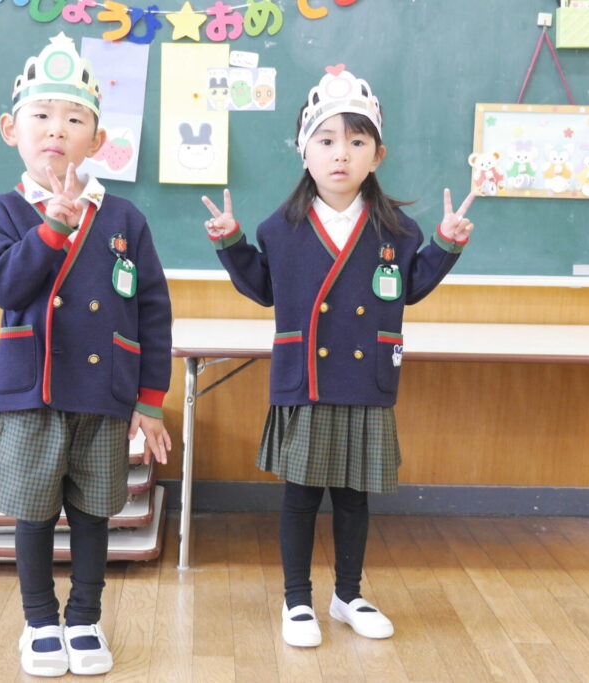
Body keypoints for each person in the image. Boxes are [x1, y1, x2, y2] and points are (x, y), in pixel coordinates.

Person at [200, 65, 475, 648]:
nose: (341, 154)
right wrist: (231, 242)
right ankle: (296, 599)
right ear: (304, 152)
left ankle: (348, 595)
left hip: (366, 377)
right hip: (308, 377)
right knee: (300, 496)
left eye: (356, 141)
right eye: (325, 141)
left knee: (354, 497)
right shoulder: (280, 228)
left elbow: (409, 288)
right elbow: (263, 288)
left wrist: (445, 244)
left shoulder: (399, 230)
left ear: (378, 155)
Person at [0, 32, 172, 677]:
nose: (56, 129)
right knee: (33, 513)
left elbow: (152, 310)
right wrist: (51, 229)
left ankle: (84, 618)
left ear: (98, 138)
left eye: (74, 119)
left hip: (104, 391)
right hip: (31, 391)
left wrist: (150, 400)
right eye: (41, 115)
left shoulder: (124, 218)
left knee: (93, 513)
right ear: (12, 130)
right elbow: (3, 285)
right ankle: (38, 623)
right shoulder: (2, 212)